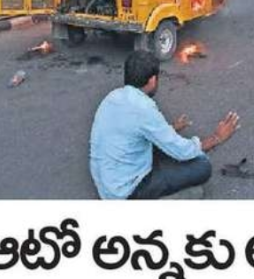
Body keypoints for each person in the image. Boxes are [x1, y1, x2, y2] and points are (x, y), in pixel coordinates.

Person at [90, 50, 240, 199]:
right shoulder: (143, 108)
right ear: (152, 80)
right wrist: (216, 138)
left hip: (106, 184)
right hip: (124, 192)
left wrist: (169, 130)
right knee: (202, 166)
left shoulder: (112, 97)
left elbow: (131, 128)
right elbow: (182, 152)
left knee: (160, 144)